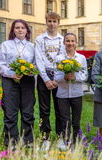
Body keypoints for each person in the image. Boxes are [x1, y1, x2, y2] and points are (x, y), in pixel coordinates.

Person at [0, 19, 35, 147]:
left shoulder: (32, 46)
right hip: (9, 80)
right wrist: (12, 73)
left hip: (27, 80)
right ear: (13, 30)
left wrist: (30, 71)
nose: (20, 30)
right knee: (10, 111)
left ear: (26, 30)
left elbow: (36, 65)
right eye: (17, 27)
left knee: (27, 112)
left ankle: (28, 141)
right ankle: (11, 141)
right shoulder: (6, 45)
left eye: (22, 28)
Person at [35, 12, 64, 149]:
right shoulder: (40, 39)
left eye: (54, 21)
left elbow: (64, 59)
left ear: (59, 23)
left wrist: (58, 78)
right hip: (44, 76)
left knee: (60, 109)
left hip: (58, 76)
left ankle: (60, 137)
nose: (52, 24)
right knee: (44, 109)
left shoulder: (62, 39)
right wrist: (46, 79)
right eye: (49, 21)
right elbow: (39, 60)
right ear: (46, 22)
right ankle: (45, 137)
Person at [54, 33, 88, 149]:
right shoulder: (59, 58)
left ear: (76, 43)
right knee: (65, 121)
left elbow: (85, 76)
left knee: (76, 121)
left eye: (72, 41)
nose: (70, 43)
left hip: (77, 94)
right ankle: (67, 143)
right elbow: (56, 77)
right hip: (62, 95)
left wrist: (75, 78)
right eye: (67, 41)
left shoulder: (81, 58)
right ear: (64, 43)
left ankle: (76, 143)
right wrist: (64, 77)